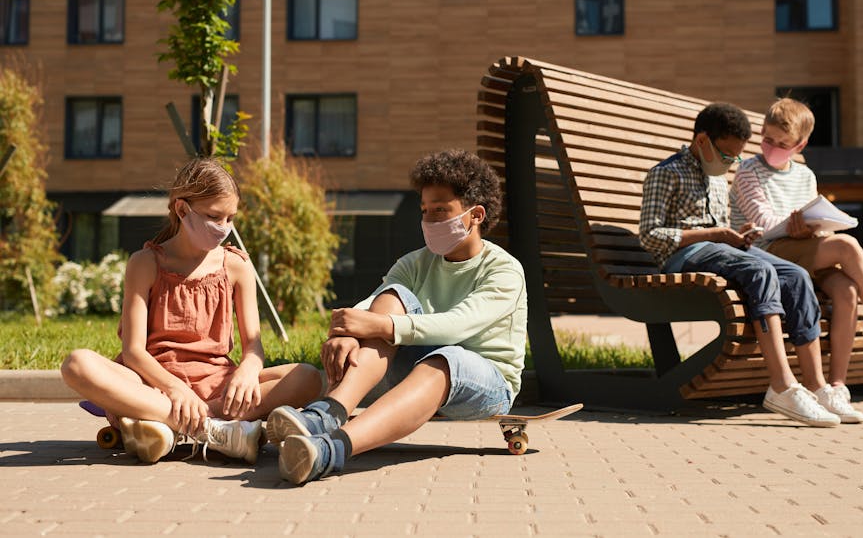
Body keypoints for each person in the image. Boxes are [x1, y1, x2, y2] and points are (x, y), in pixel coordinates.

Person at [265, 149, 527, 485]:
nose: (430, 220)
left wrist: (381, 326)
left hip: (486, 383)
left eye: (441, 210)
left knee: (446, 357)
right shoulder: (414, 262)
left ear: (475, 215)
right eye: (425, 211)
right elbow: (375, 303)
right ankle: (327, 414)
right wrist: (349, 332)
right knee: (395, 296)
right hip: (417, 368)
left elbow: (461, 323)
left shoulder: (504, 270)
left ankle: (331, 450)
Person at [61, 158, 323, 463]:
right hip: (153, 382)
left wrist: (248, 372)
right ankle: (214, 430)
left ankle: (169, 425)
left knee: (308, 377)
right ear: (182, 210)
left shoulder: (237, 265)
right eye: (214, 217)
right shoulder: (144, 263)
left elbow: (254, 346)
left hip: (217, 387)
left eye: (231, 218)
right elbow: (133, 352)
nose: (224, 228)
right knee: (76, 364)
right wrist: (174, 389)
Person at [730, 97, 863, 422]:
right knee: (847, 247)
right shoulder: (748, 171)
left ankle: (836, 387)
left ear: (800, 144)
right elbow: (764, 226)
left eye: (782, 143)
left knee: (847, 291)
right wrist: (797, 227)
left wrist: (813, 227)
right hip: (765, 253)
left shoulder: (805, 175)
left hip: (802, 252)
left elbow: (806, 222)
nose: (772, 146)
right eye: (767, 139)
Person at [639, 102, 841, 427]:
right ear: (702, 141)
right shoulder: (666, 173)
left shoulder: (717, 178)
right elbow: (650, 235)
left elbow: (722, 232)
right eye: (727, 155)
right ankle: (782, 385)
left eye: (736, 157)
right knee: (759, 271)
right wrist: (714, 233)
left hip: (719, 252)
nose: (732, 163)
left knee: (796, 276)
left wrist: (739, 235)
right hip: (682, 259)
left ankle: (816, 386)